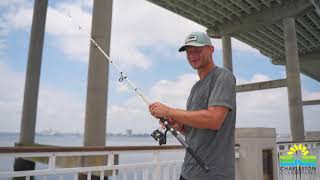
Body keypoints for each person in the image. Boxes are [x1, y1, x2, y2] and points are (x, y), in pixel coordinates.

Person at [149, 32, 236, 180]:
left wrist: (170, 111)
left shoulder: (222, 76)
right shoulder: (195, 88)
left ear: (211, 49)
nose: (192, 55)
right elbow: (196, 130)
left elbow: (214, 120)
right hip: (189, 171)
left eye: (197, 50)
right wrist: (181, 126)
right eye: (189, 52)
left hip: (213, 174)